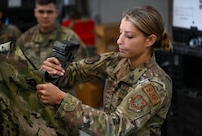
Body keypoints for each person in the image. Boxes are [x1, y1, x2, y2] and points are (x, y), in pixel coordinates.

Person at [36, 5, 173, 136]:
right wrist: (54, 69)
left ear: (150, 40)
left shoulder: (155, 84)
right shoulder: (116, 61)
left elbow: (113, 128)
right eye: (120, 33)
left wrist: (62, 100)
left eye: (129, 36)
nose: (119, 41)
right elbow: (77, 71)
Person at [16, 0, 87, 69]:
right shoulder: (25, 39)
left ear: (56, 13)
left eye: (49, 12)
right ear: (35, 13)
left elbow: (81, 69)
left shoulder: (70, 37)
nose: (45, 16)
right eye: (41, 12)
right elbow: (16, 67)